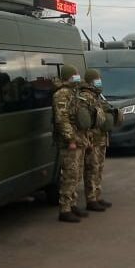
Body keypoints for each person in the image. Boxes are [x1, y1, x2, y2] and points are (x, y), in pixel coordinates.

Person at [52, 65, 89, 223]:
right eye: (74, 75)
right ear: (68, 77)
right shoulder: (61, 94)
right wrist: (71, 139)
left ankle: (72, 204)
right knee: (69, 175)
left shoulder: (73, 92)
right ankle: (65, 209)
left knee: (76, 174)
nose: (77, 77)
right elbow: (62, 119)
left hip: (79, 139)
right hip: (70, 143)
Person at [80, 69, 117, 212]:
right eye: (97, 79)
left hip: (101, 138)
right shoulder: (85, 97)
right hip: (92, 139)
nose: (100, 82)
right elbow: (84, 121)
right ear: (91, 81)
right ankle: (91, 199)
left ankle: (97, 196)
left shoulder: (97, 97)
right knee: (91, 169)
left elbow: (106, 111)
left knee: (99, 169)